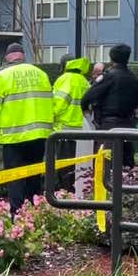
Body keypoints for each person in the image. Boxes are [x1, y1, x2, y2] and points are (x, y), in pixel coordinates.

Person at [0, 43, 53, 217]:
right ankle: (34, 211)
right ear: (23, 56)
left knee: (15, 176)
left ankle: (17, 214)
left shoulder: (1, 75)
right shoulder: (41, 74)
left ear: (7, 58)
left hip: (14, 137)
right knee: (34, 175)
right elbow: (52, 102)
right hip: (39, 135)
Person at [80, 44, 138, 169]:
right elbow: (136, 102)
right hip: (128, 125)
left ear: (111, 59)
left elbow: (87, 97)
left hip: (109, 126)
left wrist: (88, 113)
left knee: (105, 165)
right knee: (126, 164)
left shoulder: (109, 76)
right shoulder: (134, 79)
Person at [52, 54, 92, 191]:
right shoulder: (83, 80)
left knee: (64, 168)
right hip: (82, 131)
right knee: (79, 169)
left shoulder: (64, 79)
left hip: (64, 131)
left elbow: (57, 105)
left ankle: (64, 196)